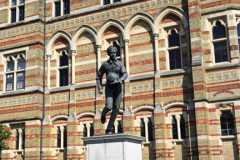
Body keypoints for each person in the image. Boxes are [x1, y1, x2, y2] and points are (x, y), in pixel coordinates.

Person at [96, 46, 128, 134]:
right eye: (112, 53)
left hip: (118, 87)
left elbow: (125, 74)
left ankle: (109, 129)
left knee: (116, 109)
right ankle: (103, 114)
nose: (113, 54)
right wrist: (99, 87)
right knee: (109, 107)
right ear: (109, 54)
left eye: (114, 53)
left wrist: (121, 80)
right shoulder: (105, 64)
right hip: (109, 87)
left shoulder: (120, 64)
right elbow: (99, 77)